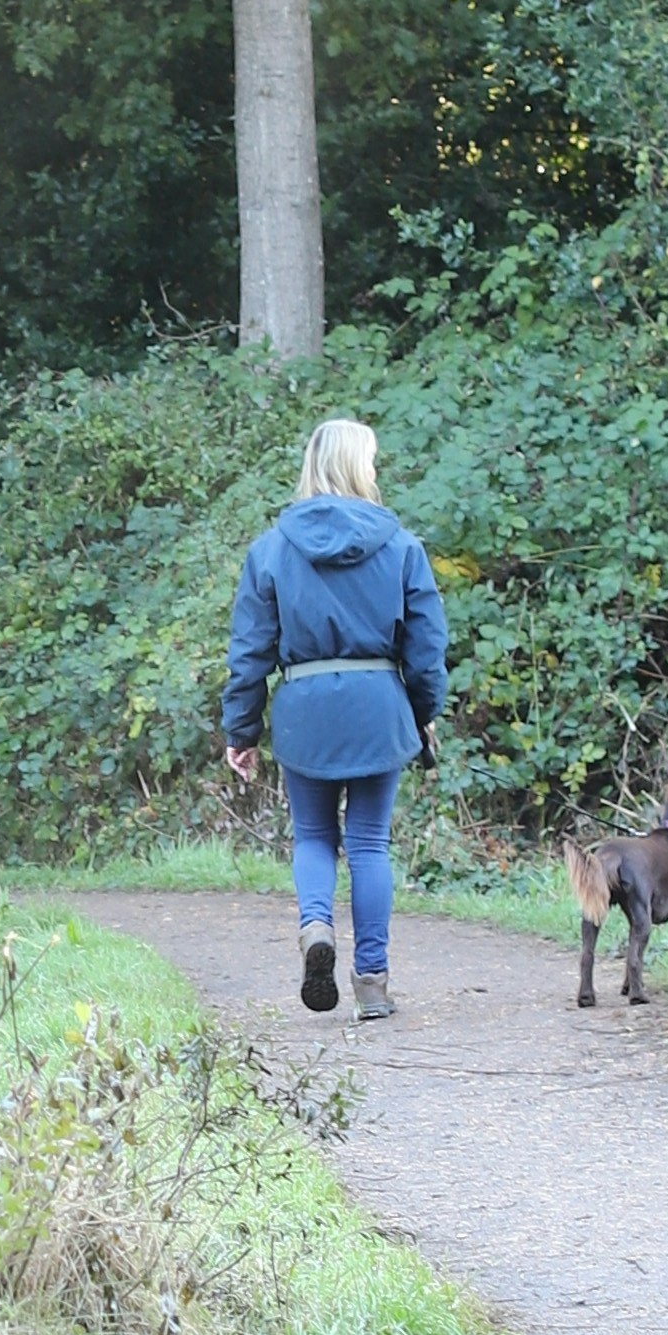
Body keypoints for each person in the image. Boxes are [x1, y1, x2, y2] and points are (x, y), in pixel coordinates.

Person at [220, 412, 449, 1020]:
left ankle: (316, 927)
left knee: (315, 836)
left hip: (304, 712)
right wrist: (423, 714)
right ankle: (371, 983)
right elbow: (426, 649)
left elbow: (249, 652)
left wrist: (241, 731)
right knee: (369, 842)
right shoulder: (401, 546)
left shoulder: (270, 550)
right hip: (378, 709)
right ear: (360, 467)